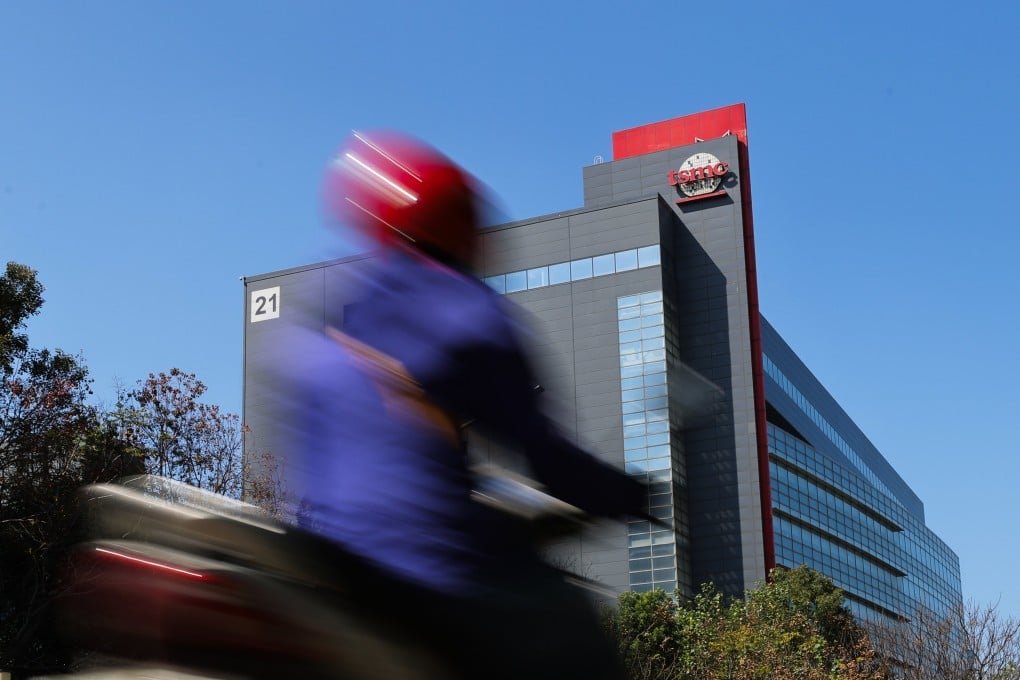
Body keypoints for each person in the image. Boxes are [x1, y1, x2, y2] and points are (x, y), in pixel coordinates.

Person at [278, 131, 649, 678]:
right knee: (569, 618)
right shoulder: (471, 315)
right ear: (468, 228)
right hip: (426, 574)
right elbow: (547, 460)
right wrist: (627, 493)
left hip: (327, 571)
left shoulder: (334, 322)